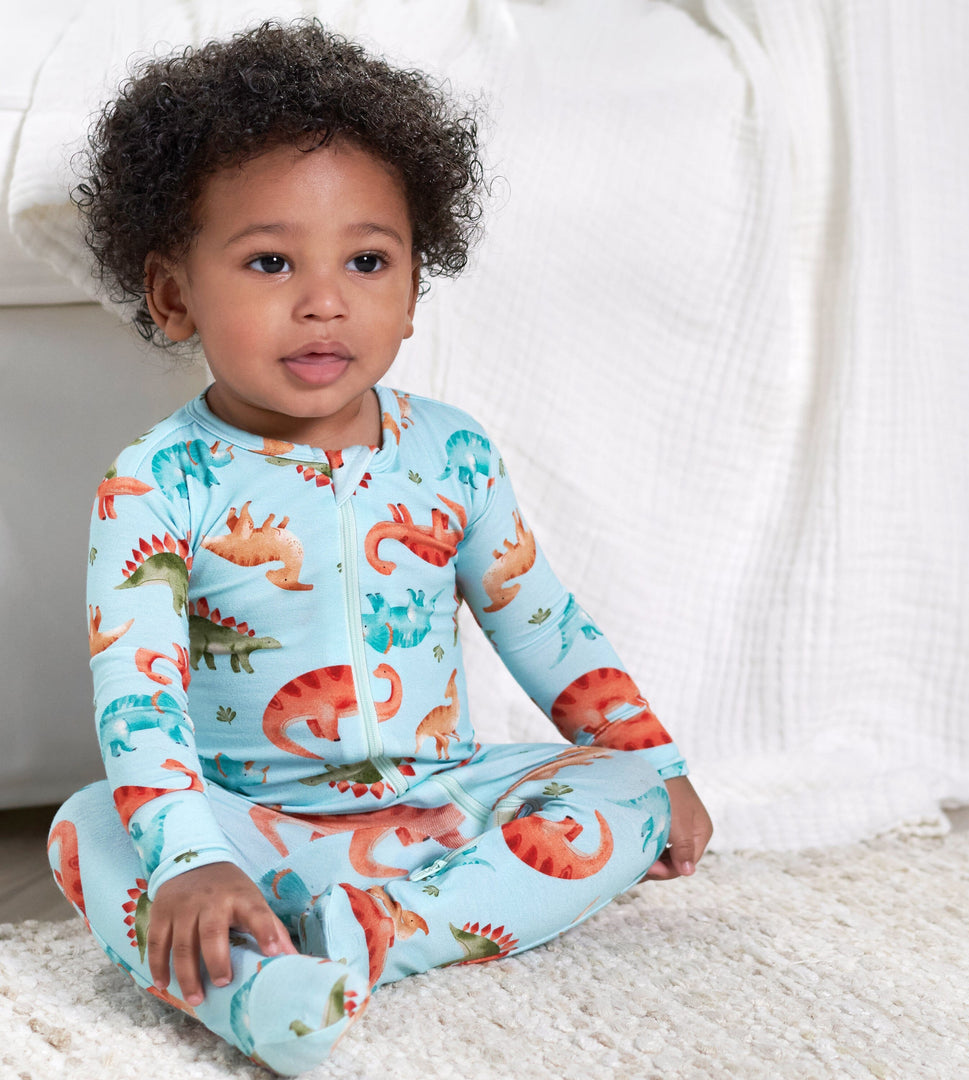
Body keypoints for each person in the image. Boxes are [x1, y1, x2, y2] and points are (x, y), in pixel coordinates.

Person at [48, 19, 712, 1075]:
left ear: (411, 290)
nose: (325, 300)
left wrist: (657, 763)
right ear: (174, 296)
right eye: (271, 261)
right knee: (89, 828)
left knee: (623, 796)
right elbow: (140, 698)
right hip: (249, 824)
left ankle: (375, 933)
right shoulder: (155, 483)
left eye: (367, 261)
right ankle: (256, 993)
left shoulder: (452, 453)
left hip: (435, 811)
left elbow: (543, 622)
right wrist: (191, 857)